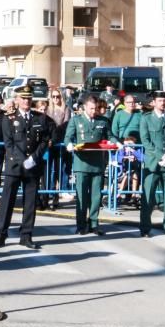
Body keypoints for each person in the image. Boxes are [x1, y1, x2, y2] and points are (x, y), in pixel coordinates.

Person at [0, 86, 52, 249]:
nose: (26, 101)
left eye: (29, 98)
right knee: (7, 201)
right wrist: (22, 159)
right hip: (15, 166)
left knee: (30, 203)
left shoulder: (40, 118)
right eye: (23, 98)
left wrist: (34, 157)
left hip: (33, 166)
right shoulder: (9, 118)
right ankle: (0, 235)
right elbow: (8, 143)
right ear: (17, 99)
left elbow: (44, 140)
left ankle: (26, 235)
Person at [64, 94, 116, 236]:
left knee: (96, 196)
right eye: (91, 108)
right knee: (81, 195)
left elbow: (110, 135)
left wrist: (116, 142)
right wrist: (69, 145)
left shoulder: (103, 121)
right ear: (85, 107)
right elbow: (68, 137)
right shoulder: (76, 120)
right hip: (82, 164)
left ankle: (94, 223)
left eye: (95, 108)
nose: (94, 111)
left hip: (97, 163)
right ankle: (81, 225)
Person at [139, 90, 165, 238]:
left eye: (164, 100)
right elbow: (145, 140)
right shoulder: (146, 118)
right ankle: (145, 228)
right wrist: (160, 156)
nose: (162, 103)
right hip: (153, 163)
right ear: (153, 103)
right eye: (159, 101)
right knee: (148, 196)